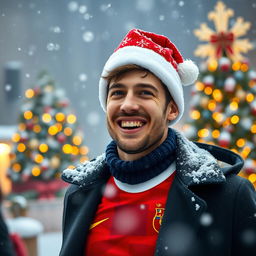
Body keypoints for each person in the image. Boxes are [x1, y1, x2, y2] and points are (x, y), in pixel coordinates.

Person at [59, 29, 256, 256]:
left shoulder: (229, 195)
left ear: (171, 109)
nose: (128, 105)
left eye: (144, 93)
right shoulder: (79, 193)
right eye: (117, 93)